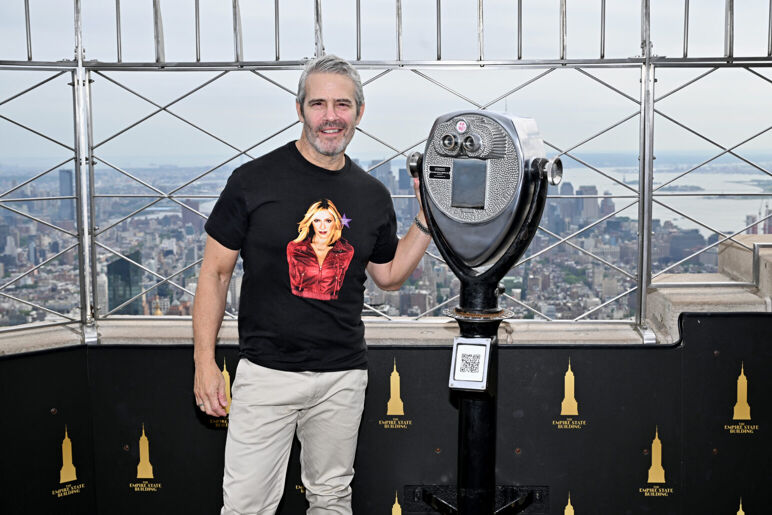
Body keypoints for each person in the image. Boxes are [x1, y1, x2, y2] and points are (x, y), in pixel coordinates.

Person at [192, 54, 432, 515]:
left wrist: (425, 217)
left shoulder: (372, 195)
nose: (330, 116)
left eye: (342, 104)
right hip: (265, 374)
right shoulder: (252, 181)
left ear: (359, 113)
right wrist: (205, 362)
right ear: (299, 109)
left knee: (331, 499)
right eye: (318, 103)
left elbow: (388, 275)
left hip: (341, 375)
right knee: (245, 505)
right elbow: (215, 273)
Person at [287, 198, 355, 301]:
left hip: (335, 312)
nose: (322, 226)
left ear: (335, 222)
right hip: (296, 309)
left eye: (328, 221)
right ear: (310, 222)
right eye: (317, 220)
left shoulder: (346, 251)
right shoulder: (295, 248)